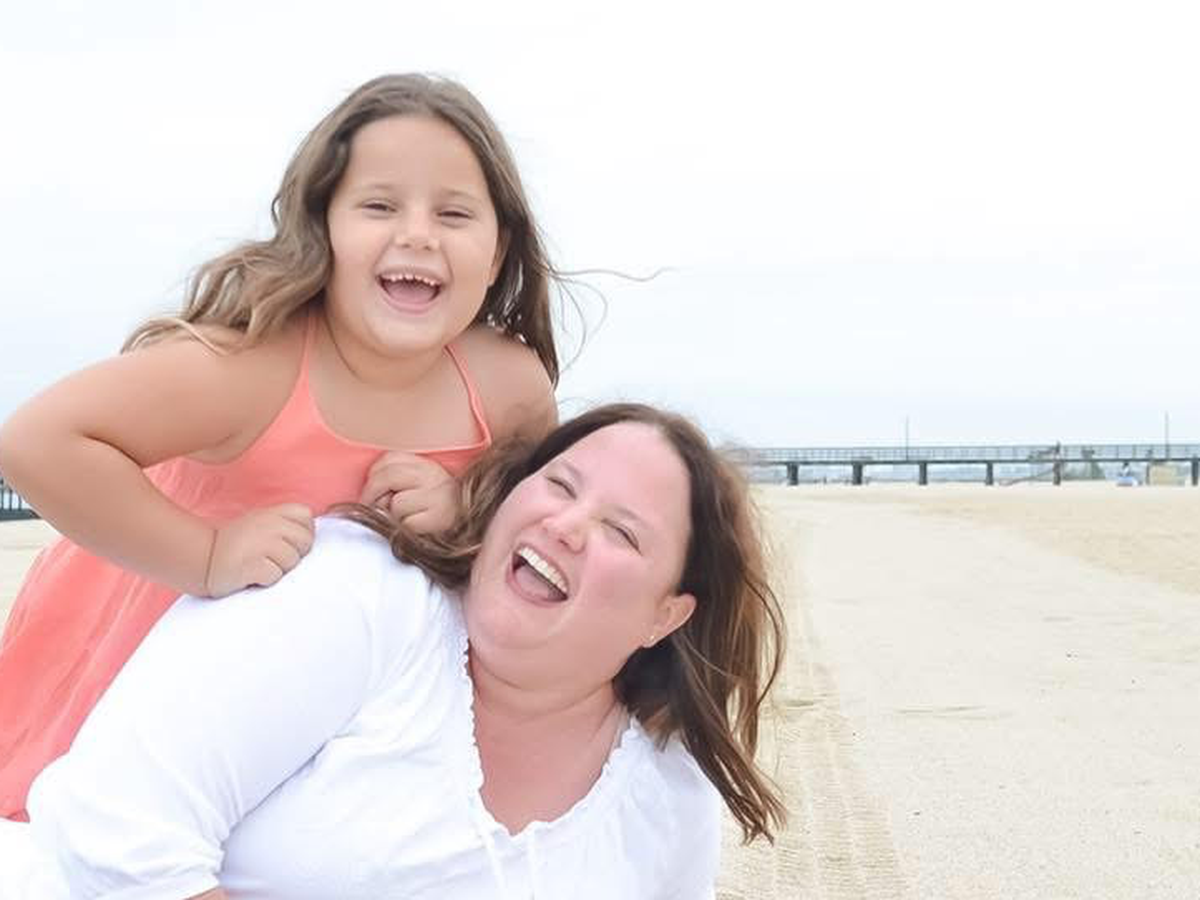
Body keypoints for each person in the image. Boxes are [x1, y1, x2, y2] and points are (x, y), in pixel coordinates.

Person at [0, 73, 561, 821]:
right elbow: (39, 441)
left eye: (454, 213)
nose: (419, 234)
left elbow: (545, 529)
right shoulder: (253, 368)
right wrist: (205, 554)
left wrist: (473, 511)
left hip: (340, 701)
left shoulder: (507, 387)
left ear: (496, 255)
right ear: (321, 227)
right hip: (154, 646)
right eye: (379, 206)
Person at [4, 403, 786, 899]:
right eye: (559, 485)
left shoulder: (667, 797)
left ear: (666, 615)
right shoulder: (361, 594)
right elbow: (108, 825)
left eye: (621, 531)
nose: (568, 525)